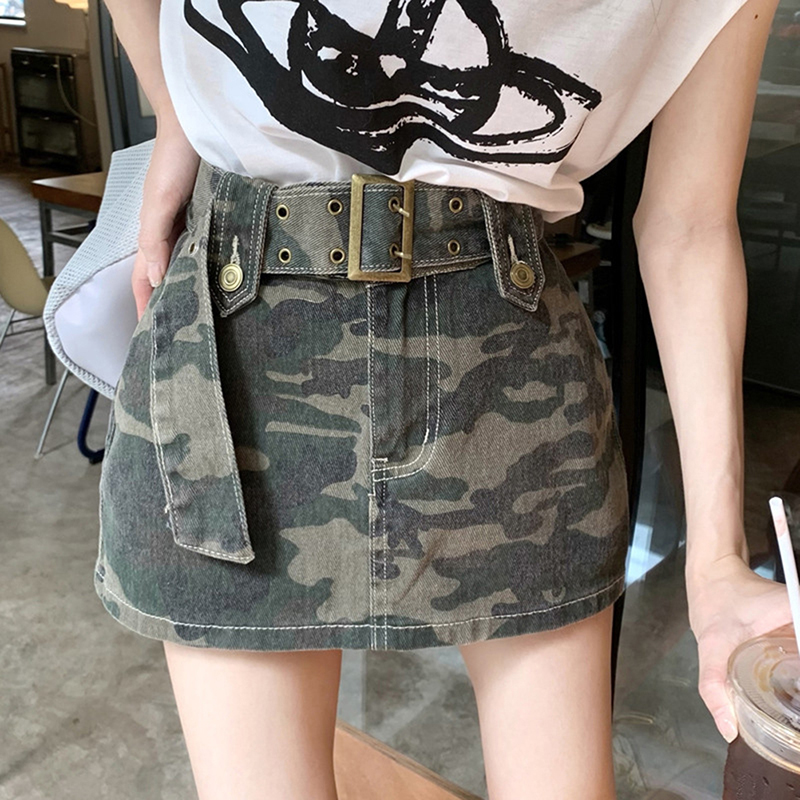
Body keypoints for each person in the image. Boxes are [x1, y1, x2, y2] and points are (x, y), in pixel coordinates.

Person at [98, 1, 790, 798]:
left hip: (508, 360)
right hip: (240, 335)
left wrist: (717, 561)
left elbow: (690, 225)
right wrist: (178, 112)